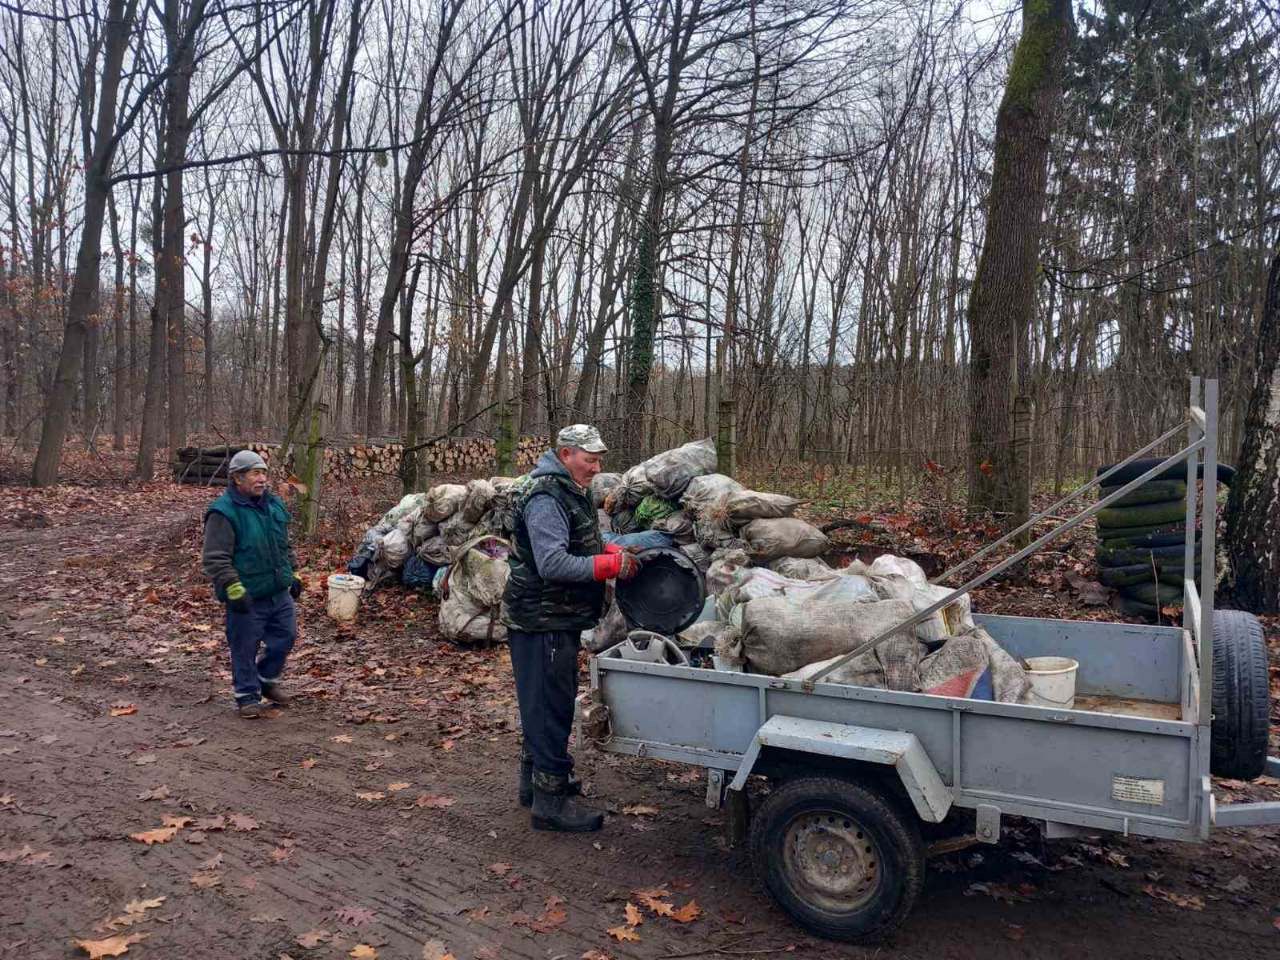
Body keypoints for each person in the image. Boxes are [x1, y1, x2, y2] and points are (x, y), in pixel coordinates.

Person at [503, 424, 641, 832]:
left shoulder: (571, 489)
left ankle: (535, 783)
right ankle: (550, 803)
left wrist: (608, 548)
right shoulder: (546, 495)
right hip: (541, 618)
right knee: (550, 708)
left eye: (600, 459)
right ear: (566, 454)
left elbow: (579, 541)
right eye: (589, 459)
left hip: (553, 617)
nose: (597, 467)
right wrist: (608, 566)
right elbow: (553, 563)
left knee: (541, 704)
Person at [201, 450, 304, 719]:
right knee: (244, 646)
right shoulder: (223, 513)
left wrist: (292, 574)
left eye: (264, 473)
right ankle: (247, 695)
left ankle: (266, 680)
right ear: (237, 478)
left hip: (277, 590)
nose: (262, 479)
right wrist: (234, 589)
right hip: (246, 594)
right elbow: (215, 558)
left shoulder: (273, 505)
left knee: (286, 636)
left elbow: (284, 544)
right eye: (255, 473)